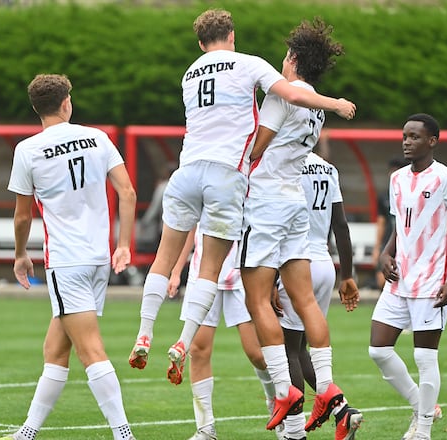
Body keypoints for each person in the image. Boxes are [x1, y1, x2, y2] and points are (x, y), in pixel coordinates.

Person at [128, 8, 356, 387]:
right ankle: (184, 342)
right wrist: (335, 104)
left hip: (186, 172)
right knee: (212, 273)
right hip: (239, 180)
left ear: (201, 44)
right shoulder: (249, 63)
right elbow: (287, 94)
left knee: (163, 262)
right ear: (232, 36)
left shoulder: (189, 73)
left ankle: (144, 331)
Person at [0, 74, 137, 440]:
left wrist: (21, 254)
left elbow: (23, 215)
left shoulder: (28, 150)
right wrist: (123, 245)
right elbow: (128, 192)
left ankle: (124, 433)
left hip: (67, 261)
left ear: (36, 109)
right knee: (55, 349)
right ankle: (26, 433)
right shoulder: (98, 137)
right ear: (67, 102)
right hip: (98, 259)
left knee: (90, 350)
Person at [241, 17, 362, 440]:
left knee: (256, 299)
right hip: (296, 205)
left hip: (268, 201)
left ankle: (285, 391)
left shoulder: (284, 97)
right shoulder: (314, 109)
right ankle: (326, 386)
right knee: (305, 298)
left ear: (292, 58)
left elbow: (257, 147)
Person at [369, 113, 447, 440]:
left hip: (433, 284)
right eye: (404, 136)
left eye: (414, 137)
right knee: (379, 350)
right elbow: (400, 227)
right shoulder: (397, 178)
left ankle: (423, 431)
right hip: (400, 280)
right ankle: (422, 405)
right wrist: (386, 254)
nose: (407, 142)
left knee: (424, 357)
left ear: (432, 141)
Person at [272, 149, 361, 440]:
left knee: (288, 350)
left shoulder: (283, 163)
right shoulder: (327, 167)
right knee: (300, 348)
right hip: (324, 263)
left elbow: (278, 223)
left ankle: (295, 431)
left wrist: (271, 277)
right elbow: (341, 226)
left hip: (296, 263)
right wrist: (347, 274)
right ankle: (341, 410)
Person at [167, 225, 276, 440]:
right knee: (198, 350)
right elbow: (189, 227)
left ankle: (277, 405)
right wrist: (177, 270)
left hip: (242, 274)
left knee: (257, 353)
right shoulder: (199, 191)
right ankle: (205, 429)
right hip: (203, 275)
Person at [372, 158, 408, 290]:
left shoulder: (412, 194)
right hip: (389, 241)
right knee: (381, 281)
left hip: (405, 243)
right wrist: (377, 248)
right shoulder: (384, 197)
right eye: (391, 171)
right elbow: (381, 222)